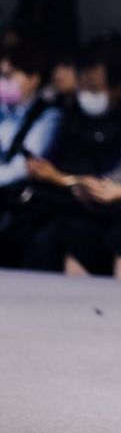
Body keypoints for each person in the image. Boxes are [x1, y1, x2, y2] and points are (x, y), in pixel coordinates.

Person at [22, 35, 121, 280]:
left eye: (94, 88)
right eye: (82, 87)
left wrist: (64, 179)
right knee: (62, 238)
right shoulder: (73, 115)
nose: (86, 95)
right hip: (81, 209)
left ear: (117, 88)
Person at [0, 39, 62, 266]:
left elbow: (26, 166)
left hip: (21, 198)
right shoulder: (3, 110)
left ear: (34, 78)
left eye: (10, 76)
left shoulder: (49, 115)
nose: (3, 82)